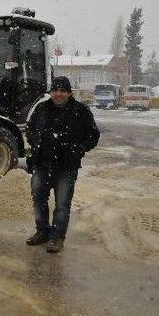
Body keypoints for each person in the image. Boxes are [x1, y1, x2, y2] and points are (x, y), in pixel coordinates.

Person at [25, 76, 100, 253]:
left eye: (62, 91)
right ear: (51, 92)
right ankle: (42, 232)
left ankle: (57, 237)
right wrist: (35, 142)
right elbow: (31, 128)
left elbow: (93, 136)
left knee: (62, 204)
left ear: (68, 92)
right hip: (42, 165)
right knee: (39, 200)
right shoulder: (42, 108)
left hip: (66, 167)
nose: (58, 94)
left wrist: (79, 149)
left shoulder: (80, 111)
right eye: (55, 90)